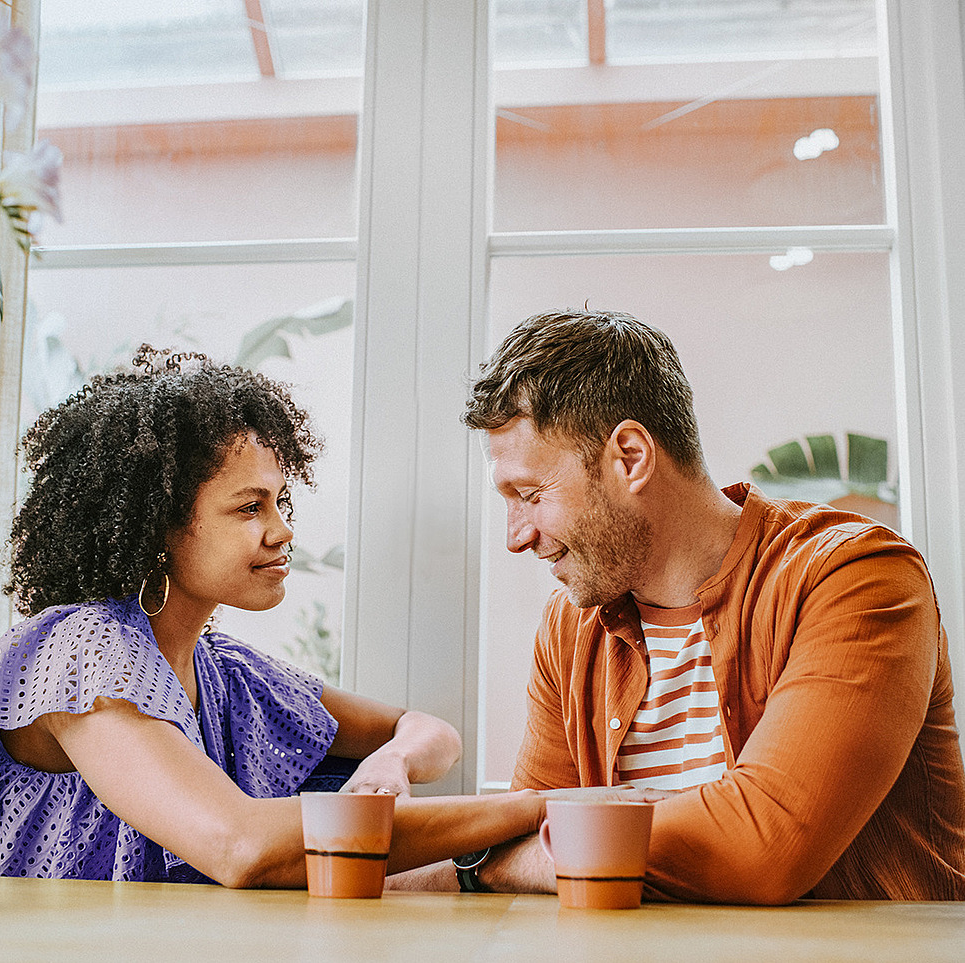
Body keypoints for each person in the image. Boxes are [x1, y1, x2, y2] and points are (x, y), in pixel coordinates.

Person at [0, 346, 543, 886]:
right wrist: (535, 809)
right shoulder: (85, 652)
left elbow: (427, 730)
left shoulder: (225, 672)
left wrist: (394, 760)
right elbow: (241, 846)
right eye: (250, 507)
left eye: (280, 501)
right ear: (157, 526)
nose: (283, 530)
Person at [395, 309, 965, 903]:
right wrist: (513, 848)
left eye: (532, 494)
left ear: (631, 457)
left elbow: (762, 847)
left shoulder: (855, 577)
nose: (517, 536)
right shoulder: (571, 625)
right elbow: (521, 831)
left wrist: (489, 865)